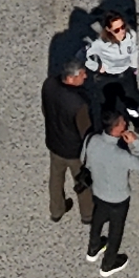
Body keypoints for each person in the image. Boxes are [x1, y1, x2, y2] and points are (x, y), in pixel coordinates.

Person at [79, 110, 139, 275]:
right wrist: (136, 143)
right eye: (122, 123)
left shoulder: (91, 139)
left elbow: (83, 158)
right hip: (118, 198)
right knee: (116, 230)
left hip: (98, 191)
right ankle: (108, 263)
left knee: (98, 219)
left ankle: (93, 248)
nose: (126, 124)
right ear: (116, 128)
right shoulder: (121, 155)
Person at [41, 61, 95, 223]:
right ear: (71, 78)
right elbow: (86, 131)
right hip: (74, 152)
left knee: (56, 178)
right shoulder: (79, 103)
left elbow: (45, 110)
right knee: (82, 181)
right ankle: (87, 214)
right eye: (82, 74)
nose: (85, 76)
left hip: (54, 144)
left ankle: (56, 210)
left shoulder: (49, 84)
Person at [83, 10, 139, 136]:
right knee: (105, 106)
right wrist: (97, 67)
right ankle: (101, 134)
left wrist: (133, 67)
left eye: (123, 27)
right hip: (106, 76)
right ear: (108, 30)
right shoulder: (100, 43)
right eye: (117, 30)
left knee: (132, 102)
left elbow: (134, 50)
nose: (122, 31)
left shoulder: (131, 35)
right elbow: (84, 56)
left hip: (125, 73)